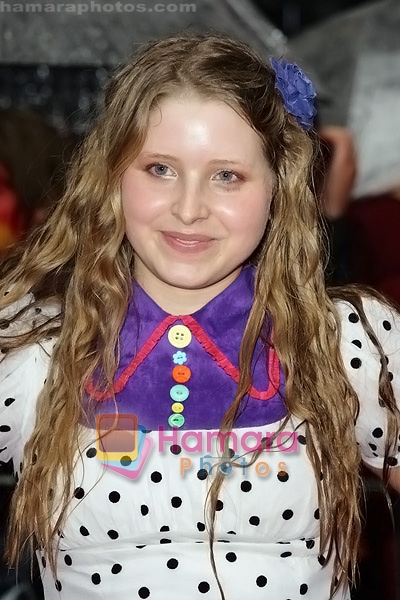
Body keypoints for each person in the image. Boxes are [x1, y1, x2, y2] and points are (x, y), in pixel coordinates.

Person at [0, 33, 399, 600]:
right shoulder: (30, 351)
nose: (189, 209)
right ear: (112, 177)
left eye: (227, 176)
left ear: (277, 187)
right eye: (160, 169)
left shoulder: (344, 342)